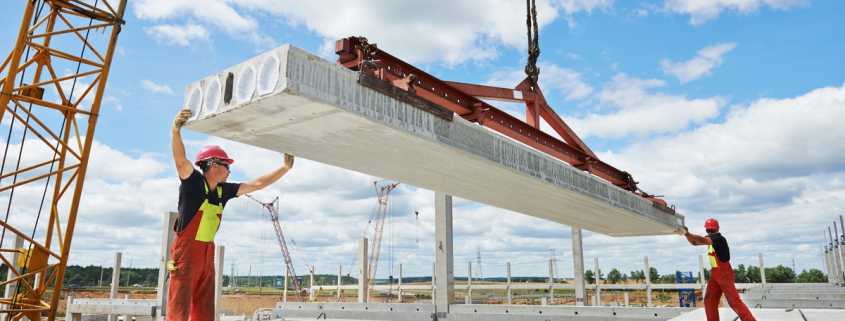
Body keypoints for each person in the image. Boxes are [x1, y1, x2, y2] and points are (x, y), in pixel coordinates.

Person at [168, 109, 294, 321]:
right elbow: (181, 161)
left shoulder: (222, 191)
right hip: (186, 254)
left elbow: (257, 184)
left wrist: (285, 168)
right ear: (212, 165)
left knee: (204, 307)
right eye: (226, 166)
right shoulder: (193, 183)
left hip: (207, 253)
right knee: (179, 308)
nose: (229, 171)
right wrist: (175, 131)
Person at [681, 218, 757, 321]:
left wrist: (686, 233)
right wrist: (686, 234)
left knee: (734, 301)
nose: (710, 232)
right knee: (709, 300)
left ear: (716, 230)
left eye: (711, 230)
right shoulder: (712, 239)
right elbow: (695, 242)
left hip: (724, 274)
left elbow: (700, 241)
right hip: (715, 275)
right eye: (709, 230)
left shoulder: (718, 239)